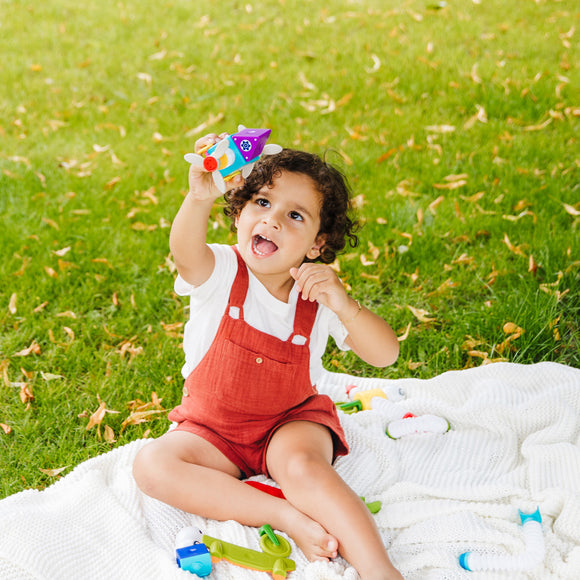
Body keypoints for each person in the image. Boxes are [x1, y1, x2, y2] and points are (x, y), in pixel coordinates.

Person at [133, 132, 403, 580]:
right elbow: (184, 254)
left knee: (300, 466)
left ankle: (378, 568)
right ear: (239, 211)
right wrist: (198, 197)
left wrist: (345, 305)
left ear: (317, 244)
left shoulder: (315, 295)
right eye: (262, 203)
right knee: (153, 465)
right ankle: (282, 514)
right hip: (212, 431)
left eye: (294, 215)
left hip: (288, 422)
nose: (272, 220)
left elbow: (385, 356)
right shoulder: (221, 270)